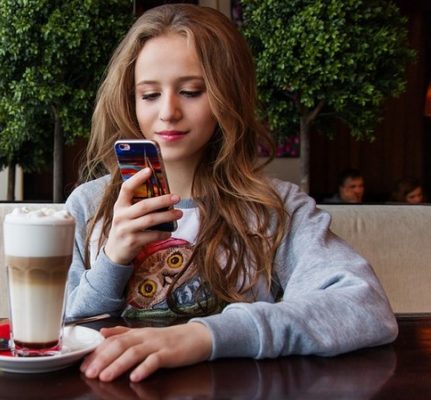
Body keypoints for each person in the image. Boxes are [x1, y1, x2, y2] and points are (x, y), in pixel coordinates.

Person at [63, 4, 396, 383]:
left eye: (191, 91)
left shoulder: (276, 209)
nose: (168, 112)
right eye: (150, 94)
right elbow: (50, 333)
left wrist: (205, 335)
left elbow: (365, 307)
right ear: (130, 100)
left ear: (228, 96)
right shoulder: (89, 206)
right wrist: (112, 261)